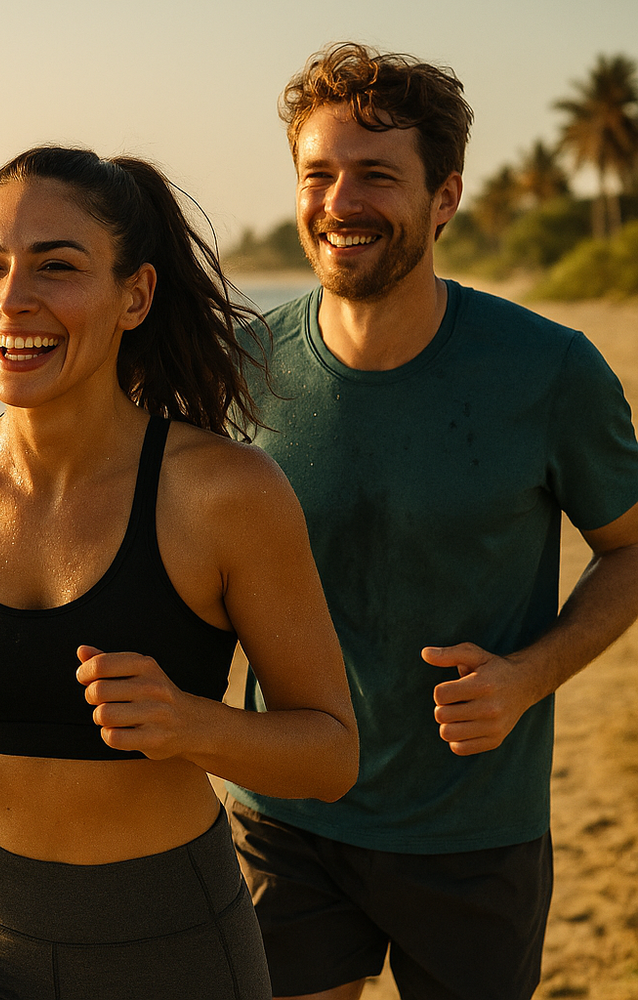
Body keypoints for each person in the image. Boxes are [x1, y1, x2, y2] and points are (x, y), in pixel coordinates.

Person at [0, 145, 359, 1000]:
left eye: (57, 266)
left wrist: (190, 724)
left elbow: (331, 753)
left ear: (135, 296)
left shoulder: (225, 494)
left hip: (168, 941)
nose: (12, 299)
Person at [225, 42, 638, 1000]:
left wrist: (528, 678)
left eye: (377, 175)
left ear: (445, 196)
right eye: (318, 174)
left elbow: (630, 550)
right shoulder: (242, 370)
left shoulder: (549, 370)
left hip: (473, 829)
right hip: (285, 818)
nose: (340, 202)